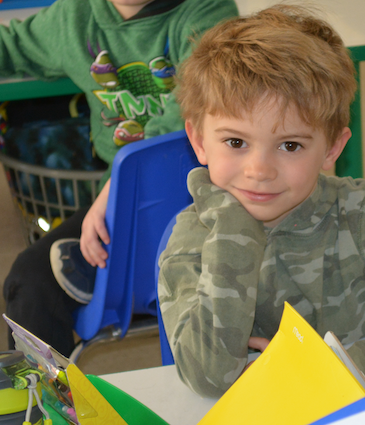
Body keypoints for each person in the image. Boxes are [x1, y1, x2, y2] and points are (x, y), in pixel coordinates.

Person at [158, 4, 365, 399]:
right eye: (236, 142)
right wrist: (234, 232)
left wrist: (327, 368)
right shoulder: (193, 239)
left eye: (291, 145)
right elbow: (208, 378)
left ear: (332, 147)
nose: (259, 170)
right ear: (198, 141)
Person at [1, 0, 238, 356]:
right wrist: (115, 196)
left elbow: (201, 104)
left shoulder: (207, 11)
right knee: (30, 279)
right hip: (120, 216)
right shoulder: (75, 17)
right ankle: (50, 409)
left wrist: (117, 186)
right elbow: (13, 45)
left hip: (216, 202)